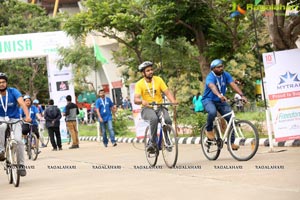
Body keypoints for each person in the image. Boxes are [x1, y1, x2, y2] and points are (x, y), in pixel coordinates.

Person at [201, 59, 247, 150]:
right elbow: (212, 86)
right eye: (218, 67)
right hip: (208, 100)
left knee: (231, 119)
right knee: (212, 112)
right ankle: (209, 130)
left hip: (220, 101)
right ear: (213, 69)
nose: (221, 68)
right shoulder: (210, 77)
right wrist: (219, 95)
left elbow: (233, 84)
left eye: (222, 66)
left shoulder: (226, 75)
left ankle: (231, 142)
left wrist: (242, 95)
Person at [134, 61, 177, 153]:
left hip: (160, 106)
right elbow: (136, 99)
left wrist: (173, 101)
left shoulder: (158, 80)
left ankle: (166, 139)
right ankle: (152, 143)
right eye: (148, 70)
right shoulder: (139, 84)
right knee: (153, 119)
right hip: (147, 109)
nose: (150, 72)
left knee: (168, 120)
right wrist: (142, 101)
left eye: (151, 70)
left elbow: (167, 92)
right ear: (143, 73)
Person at [0, 72, 31, 176]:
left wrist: (27, 116)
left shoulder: (13, 91)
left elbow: (22, 103)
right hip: (1, 119)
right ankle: (1, 151)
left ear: (6, 83)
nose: (1, 84)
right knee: (2, 126)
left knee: (19, 141)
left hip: (15, 119)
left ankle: (21, 165)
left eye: (3, 82)